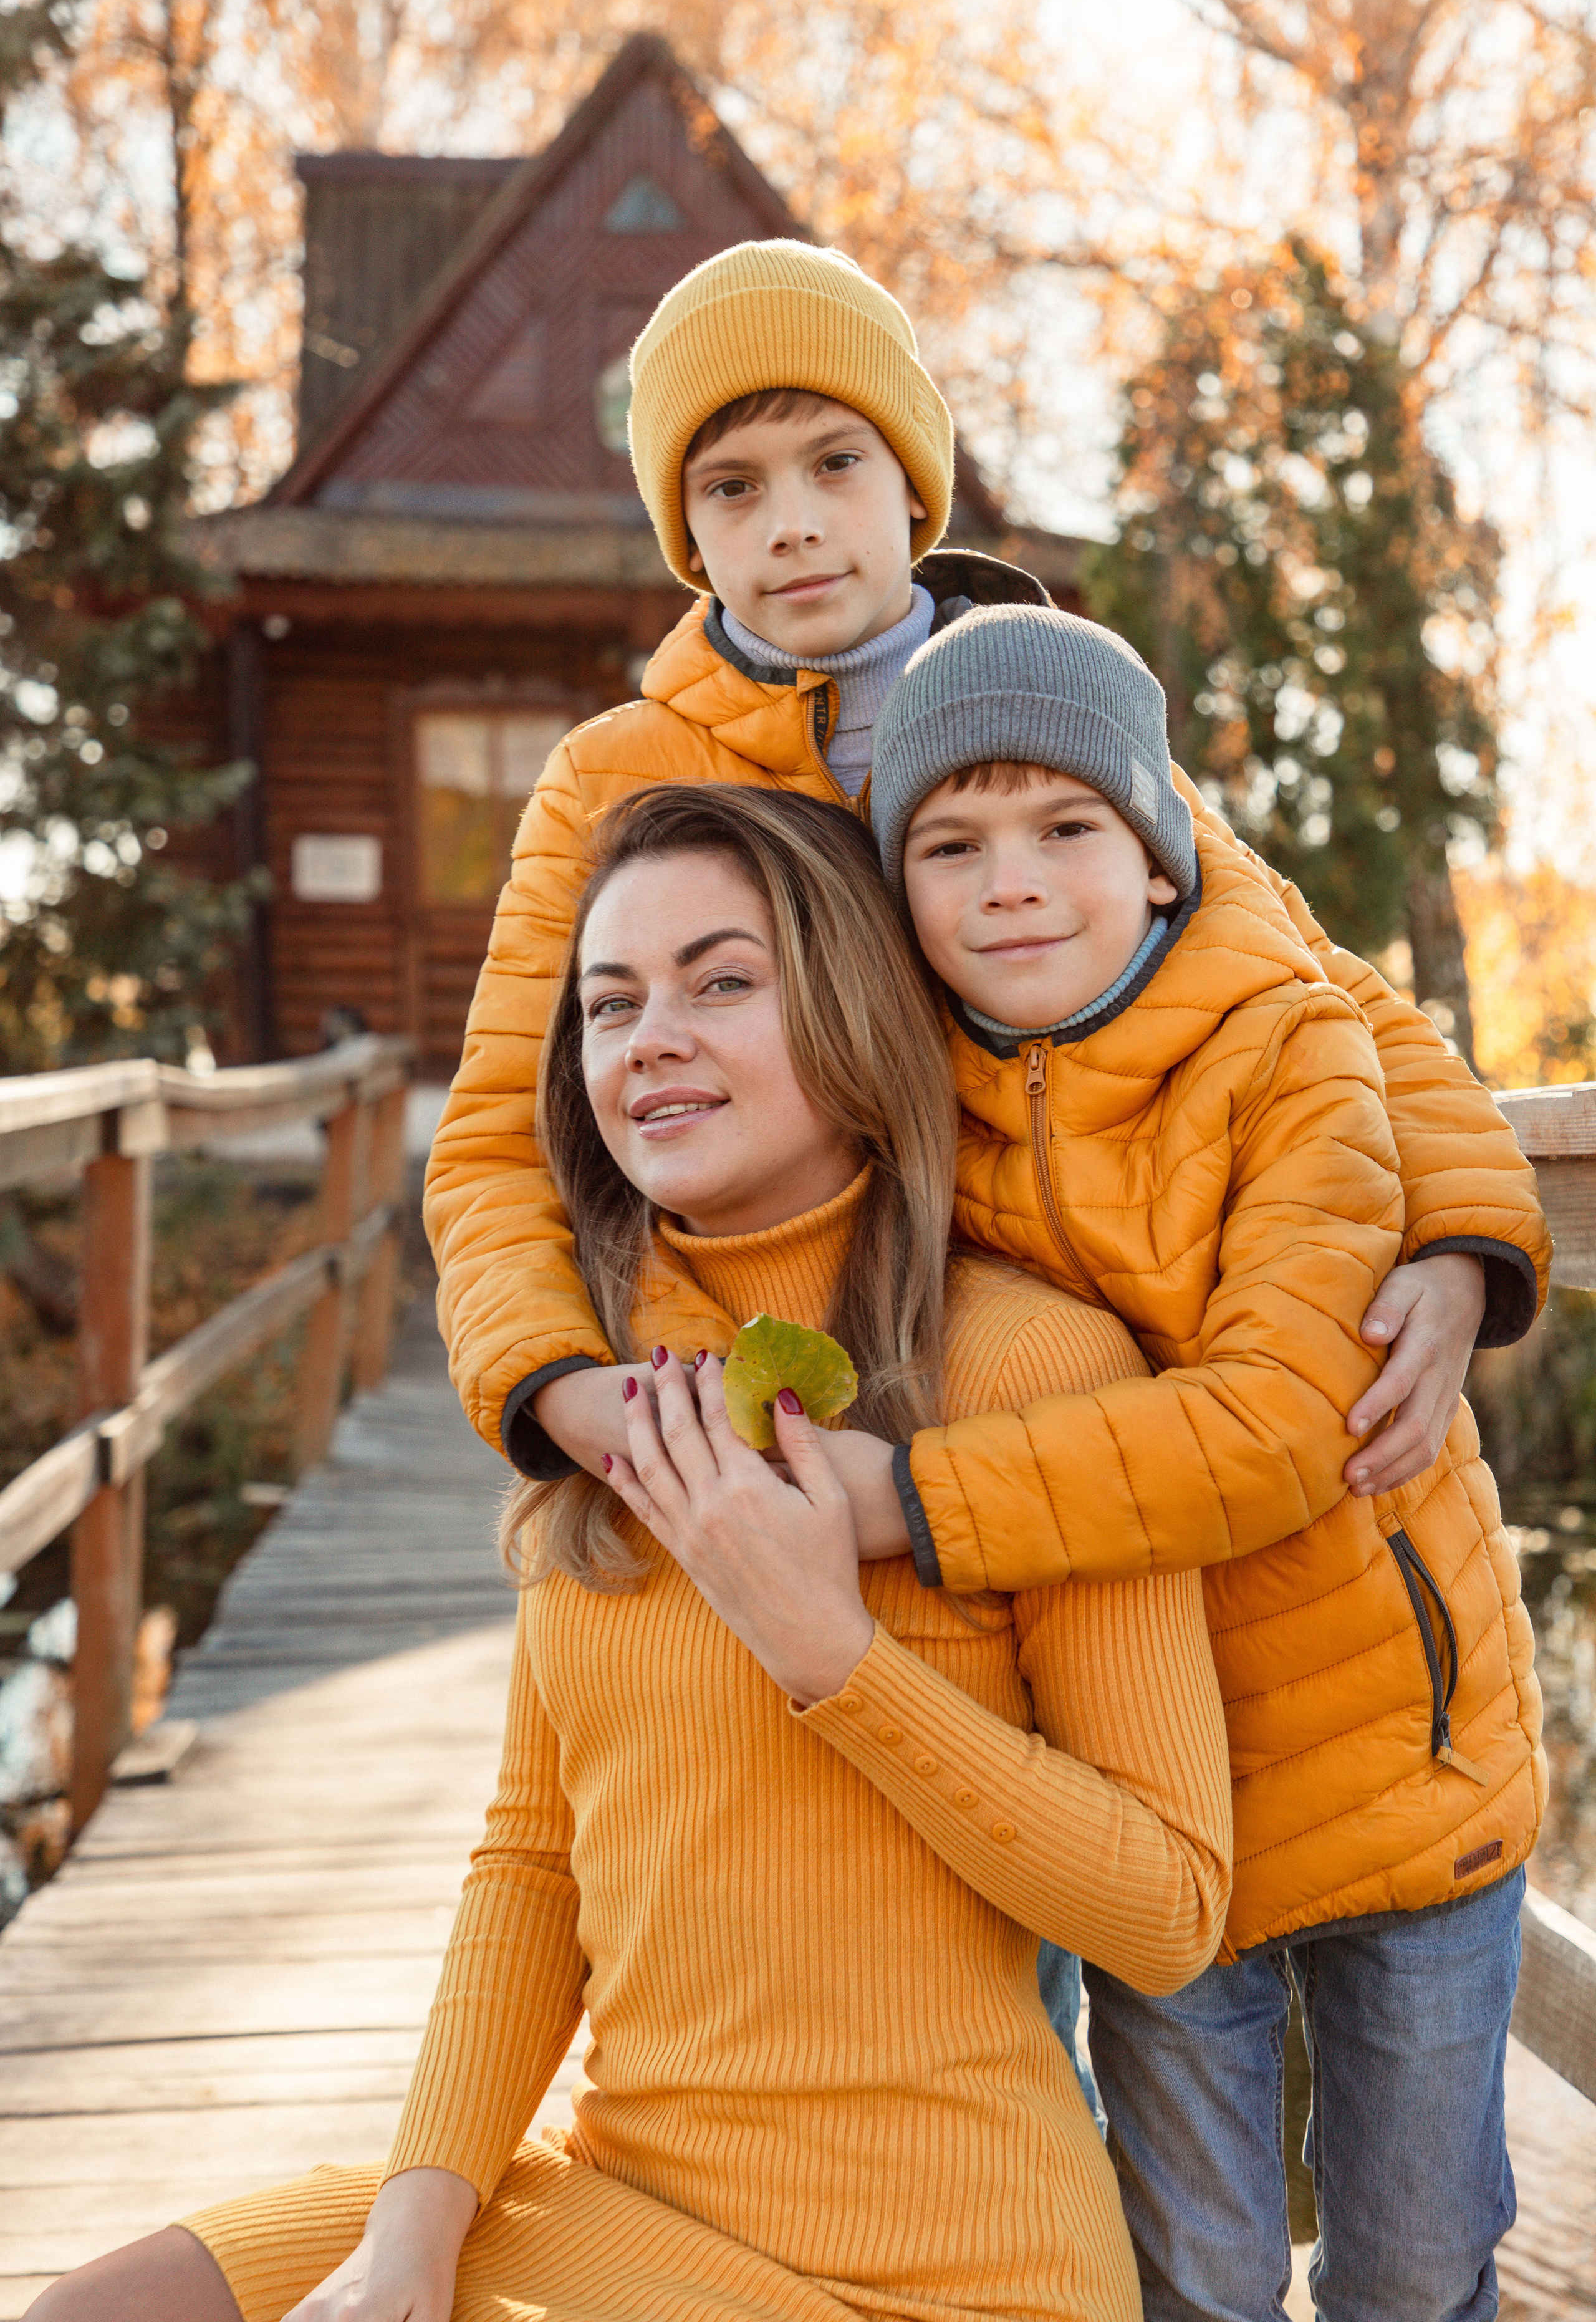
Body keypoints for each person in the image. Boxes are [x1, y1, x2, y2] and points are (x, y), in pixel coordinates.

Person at [32, 784, 1231, 2322]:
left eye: (720, 982)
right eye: (611, 1004)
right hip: (620, 2204)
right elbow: (533, 1860)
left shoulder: (1030, 1375)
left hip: (950, 2264)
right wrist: (413, 2237)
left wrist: (835, 1657)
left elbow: (1167, 1906)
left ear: (853, 1011)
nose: (648, 1036)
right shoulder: (605, 1394)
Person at [425, 236, 1542, 1553]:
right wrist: (552, 1383)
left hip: (1050, 1356)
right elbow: (498, 1132)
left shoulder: (1027, 702)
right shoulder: (611, 778)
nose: (790, 523)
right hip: (745, 1372)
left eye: (834, 462)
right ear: (686, 534)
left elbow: (1307, 973)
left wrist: (1465, 1243)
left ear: (912, 484)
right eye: (730, 488)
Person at [864, 600, 1547, 2322]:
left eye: (1067, 828)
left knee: (1412, 2265)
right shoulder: (908, 1096)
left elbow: (1274, 1434)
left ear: (1166, 860)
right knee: (1201, 2279)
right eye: (951, 844)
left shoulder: (1289, 1050)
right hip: (1159, 1799)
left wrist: (911, 1504)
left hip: (1404, 1764)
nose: (1010, 879)